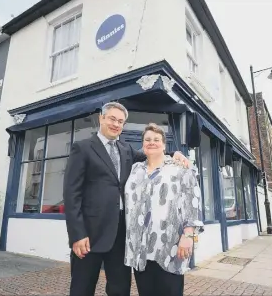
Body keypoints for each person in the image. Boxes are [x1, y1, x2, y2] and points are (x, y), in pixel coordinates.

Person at [63, 102, 190, 296]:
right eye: (112, 119)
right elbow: (71, 194)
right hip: (90, 235)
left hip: (121, 236)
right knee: (82, 288)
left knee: (120, 289)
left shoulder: (126, 149)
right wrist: (77, 234)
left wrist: (174, 153)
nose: (116, 124)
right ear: (101, 118)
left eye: (120, 121)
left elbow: (150, 154)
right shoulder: (82, 148)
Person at [124, 123, 204, 296]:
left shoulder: (180, 168)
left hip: (170, 247)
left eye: (156, 139)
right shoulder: (135, 169)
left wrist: (189, 236)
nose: (151, 142)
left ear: (164, 144)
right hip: (140, 250)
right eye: (147, 139)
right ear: (143, 143)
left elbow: (194, 204)